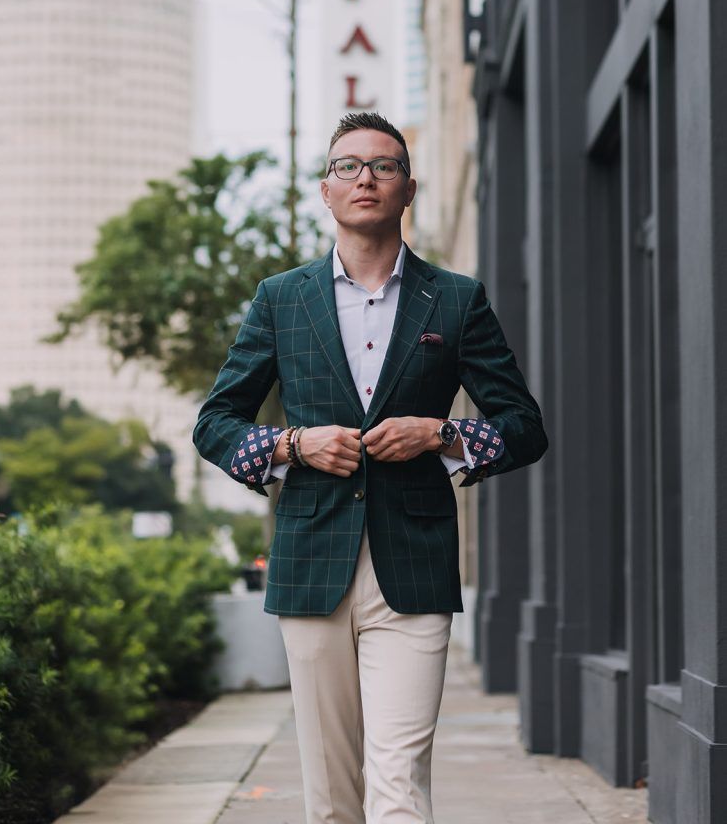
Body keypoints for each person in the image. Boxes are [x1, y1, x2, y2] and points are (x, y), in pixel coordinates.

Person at [193, 110, 548, 824]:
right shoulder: (281, 300)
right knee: (331, 797)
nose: (365, 178)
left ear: (407, 188)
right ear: (326, 190)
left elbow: (523, 428)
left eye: (383, 166)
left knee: (399, 783)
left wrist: (440, 433)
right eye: (348, 166)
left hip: (412, 565)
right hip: (309, 561)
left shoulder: (455, 298)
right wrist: (294, 445)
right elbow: (215, 423)